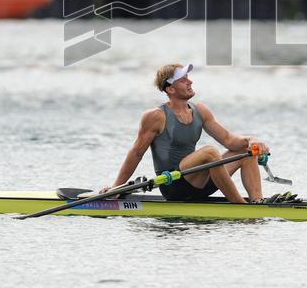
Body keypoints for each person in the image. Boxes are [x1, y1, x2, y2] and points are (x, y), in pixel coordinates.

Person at [102, 63, 268, 204]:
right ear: (171, 89)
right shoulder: (155, 116)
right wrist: (117, 186)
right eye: (183, 80)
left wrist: (252, 140)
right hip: (174, 185)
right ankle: (241, 206)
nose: (190, 81)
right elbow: (137, 153)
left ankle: (257, 203)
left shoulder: (200, 111)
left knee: (247, 151)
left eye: (188, 78)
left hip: (200, 182)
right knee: (210, 152)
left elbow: (230, 141)